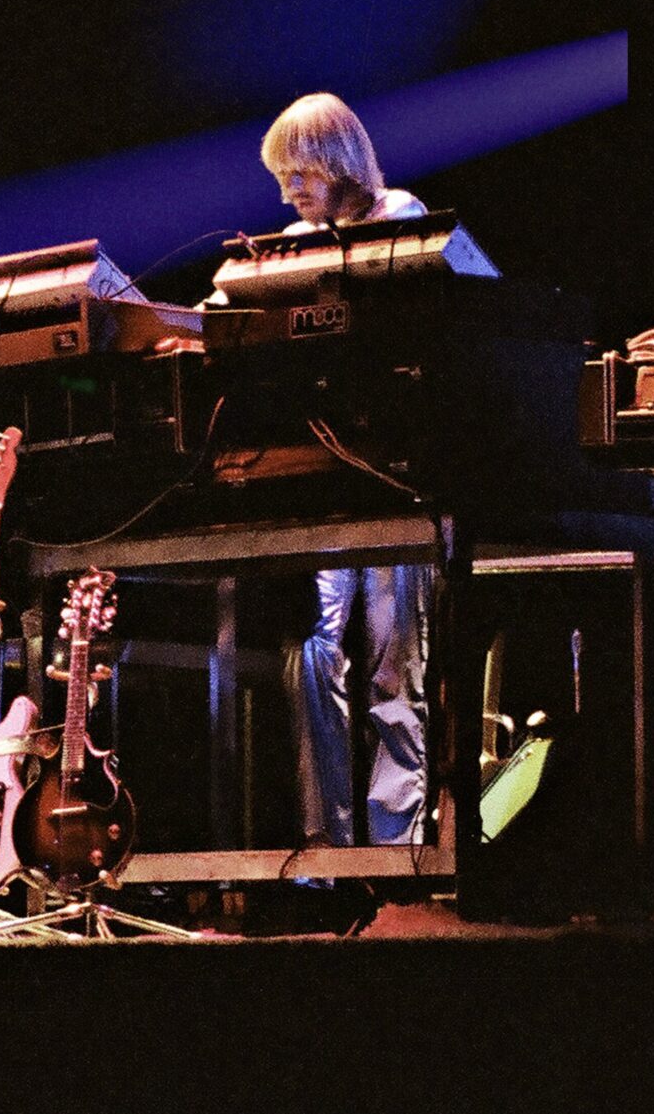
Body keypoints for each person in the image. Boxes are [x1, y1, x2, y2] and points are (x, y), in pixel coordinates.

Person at [260, 93, 432, 847]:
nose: (288, 193)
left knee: (396, 666)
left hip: (399, 470)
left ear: (335, 161)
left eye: (297, 173)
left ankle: (396, 848)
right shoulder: (298, 236)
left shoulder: (399, 213)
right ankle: (329, 846)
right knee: (319, 655)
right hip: (327, 475)